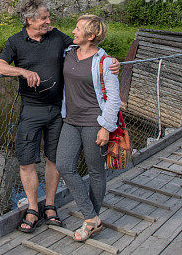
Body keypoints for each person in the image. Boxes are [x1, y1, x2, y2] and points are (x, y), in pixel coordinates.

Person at [0, 0, 119, 233]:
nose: (49, 22)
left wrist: (111, 62)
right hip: (31, 110)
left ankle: (50, 206)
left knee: (55, 160)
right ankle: (33, 208)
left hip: (59, 112)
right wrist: (22, 71)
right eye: (44, 18)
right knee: (27, 160)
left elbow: (88, 49)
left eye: (48, 17)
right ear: (30, 20)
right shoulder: (15, 41)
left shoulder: (57, 36)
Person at [56, 14, 120, 242]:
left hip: (95, 123)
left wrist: (106, 127)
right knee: (64, 165)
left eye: (78, 28)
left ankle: (90, 221)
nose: (73, 31)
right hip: (71, 121)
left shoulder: (105, 62)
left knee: (95, 171)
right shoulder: (68, 52)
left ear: (91, 36)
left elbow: (113, 98)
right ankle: (92, 217)